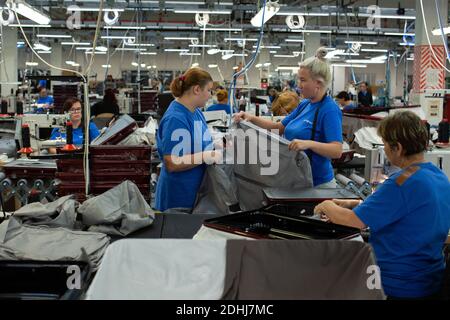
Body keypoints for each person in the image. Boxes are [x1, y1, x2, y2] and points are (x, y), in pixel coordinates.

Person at [314, 111, 450, 300]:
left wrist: (327, 205)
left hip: (397, 285)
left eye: (385, 143)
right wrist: (355, 203)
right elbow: (407, 210)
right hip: (430, 279)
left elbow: (353, 222)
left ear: (398, 148)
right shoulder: (438, 176)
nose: (384, 149)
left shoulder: (401, 182)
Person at [234, 47, 343, 188]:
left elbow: (336, 150)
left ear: (318, 83)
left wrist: (308, 143)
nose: (299, 85)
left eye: (303, 80)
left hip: (318, 185)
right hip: (297, 179)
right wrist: (251, 118)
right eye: (299, 79)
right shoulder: (305, 104)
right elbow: (278, 128)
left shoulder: (329, 109)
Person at [155, 68, 222, 211]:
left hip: (195, 192)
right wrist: (206, 155)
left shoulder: (196, 112)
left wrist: (216, 144)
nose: (211, 96)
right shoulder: (176, 118)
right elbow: (172, 162)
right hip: (179, 196)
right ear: (197, 89)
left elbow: (198, 140)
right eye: (209, 90)